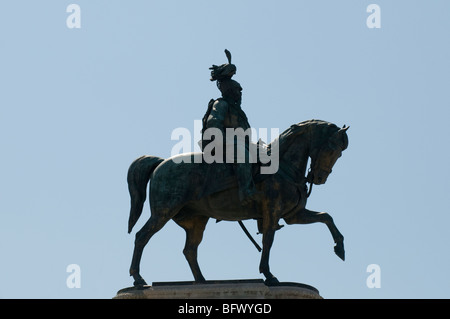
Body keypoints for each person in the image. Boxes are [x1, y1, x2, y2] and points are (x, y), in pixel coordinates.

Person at [201, 50, 260, 205]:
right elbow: (213, 125)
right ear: (230, 91)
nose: (240, 94)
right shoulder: (221, 104)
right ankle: (246, 192)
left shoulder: (238, 112)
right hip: (219, 143)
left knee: (266, 154)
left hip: (239, 144)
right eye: (237, 91)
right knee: (244, 156)